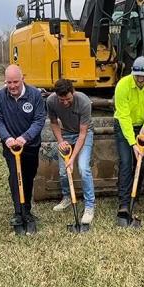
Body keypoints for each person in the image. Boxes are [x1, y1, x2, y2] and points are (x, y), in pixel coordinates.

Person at [0, 65, 46, 234]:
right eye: (9, 82)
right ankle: (18, 212)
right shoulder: (0, 96)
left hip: (30, 145)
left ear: (23, 79)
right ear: (5, 81)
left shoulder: (35, 95)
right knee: (15, 177)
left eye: (15, 82)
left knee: (28, 177)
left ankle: (26, 210)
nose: (12, 86)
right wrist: (7, 138)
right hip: (11, 147)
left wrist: (25, 137)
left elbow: (39, 120)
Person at [113, 56, 144, 221]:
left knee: (140, 164)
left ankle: (137, 196)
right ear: (132, 73)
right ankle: (124, 203)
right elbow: (123, 115)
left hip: (143, 127)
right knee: (126, 162)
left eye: (143, 76)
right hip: (124, 125)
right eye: (137, 76)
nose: (140, 80)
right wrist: (132, 142)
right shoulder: (123, 85)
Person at [47, 78, 95, 224]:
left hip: (84, 134)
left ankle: (89, 206)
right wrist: (61, 142)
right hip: (66, 133)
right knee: (63, 171)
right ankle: (67, 197)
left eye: (68, 99)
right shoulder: (51, 101)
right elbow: (54, 123)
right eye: (61, 100)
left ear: (73, 92)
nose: (65, 103)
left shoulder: (84, 102)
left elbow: (82, 133)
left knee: (83, 167)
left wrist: (72, 158)